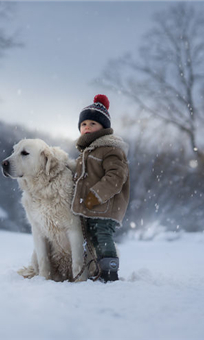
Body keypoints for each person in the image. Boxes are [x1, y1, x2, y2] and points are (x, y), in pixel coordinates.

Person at [71, 94, 130, 282]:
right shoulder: (85, 153)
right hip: (90, 206)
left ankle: (110, 272)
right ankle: (96, 268)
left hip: (105, 205)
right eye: (83, 124)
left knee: (102, 236)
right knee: (91, 239)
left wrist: (96, 194)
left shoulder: (111, 149)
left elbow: (116, 176)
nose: (87, 127)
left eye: (92, 124)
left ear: (104, 128)